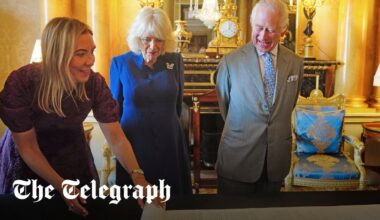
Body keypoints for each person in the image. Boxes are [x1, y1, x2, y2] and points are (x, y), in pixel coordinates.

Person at [0, 17, 152, 218]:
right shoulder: (22, 83)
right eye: (81, 54)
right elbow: (28, 147)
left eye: (92, 51)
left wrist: (137, 175)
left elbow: (116, 137)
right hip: (28, 162)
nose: (91, 60)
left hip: (73, 157)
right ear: (57, 55)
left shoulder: (94, 83)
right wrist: (61, 185)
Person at [109, 6, 192, 218]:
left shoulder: (175, 61)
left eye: (160, 40)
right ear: (138, 38)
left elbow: (177, 103)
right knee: (134, 207)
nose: (153, 46)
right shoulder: (120, 63)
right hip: (134, 144)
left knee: (173, 205)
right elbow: (113, 110)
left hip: (170, 142)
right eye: (147, 39)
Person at [215, 0, 304, 194]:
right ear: (251, 23)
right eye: (259, 28)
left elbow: (289, 104)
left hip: (275, 162)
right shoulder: (230, 62)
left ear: (283, 30)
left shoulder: (296, 64)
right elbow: (225, 106)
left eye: (270, 30)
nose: (263, 36)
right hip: (237, 160)